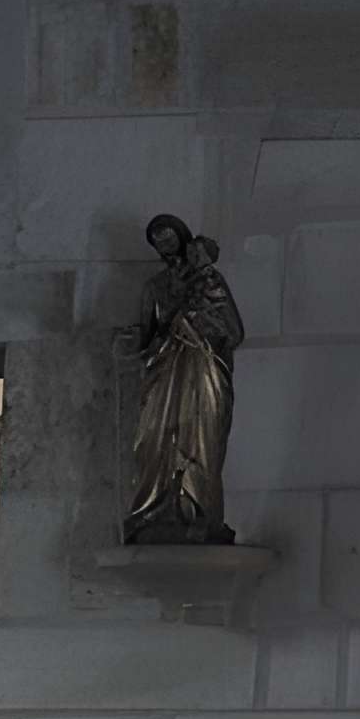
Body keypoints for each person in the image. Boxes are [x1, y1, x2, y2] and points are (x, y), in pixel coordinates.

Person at [115, 213, 243, 544]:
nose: (167, 246)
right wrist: (128, 344)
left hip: (203, 368)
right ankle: (153, 511)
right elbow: (144, 338)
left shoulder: (210, 281)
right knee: (154, 438)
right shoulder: (155, 288)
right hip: (165, 372)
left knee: (202, 436)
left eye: (170, 237)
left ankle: (199, 513)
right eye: (159, 242)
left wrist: (201, 320)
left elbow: (234, 332)